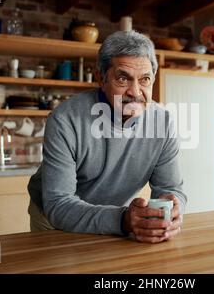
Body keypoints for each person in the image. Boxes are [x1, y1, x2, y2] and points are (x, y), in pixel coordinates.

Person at [27, 30, 187, 243]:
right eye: (123, 78)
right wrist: (123, 220)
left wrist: (173, 210)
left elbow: (170, 188)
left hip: (113, 219)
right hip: (54, 219)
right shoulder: (65, 119)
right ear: (101, 78)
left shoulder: (163, 122)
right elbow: (59, 204)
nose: (135, 92)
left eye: (145, 79)